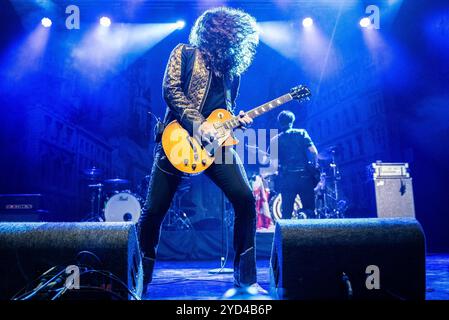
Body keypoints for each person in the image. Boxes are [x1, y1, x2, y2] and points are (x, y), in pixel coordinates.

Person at [138, 7, 265, 295]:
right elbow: (171, 90)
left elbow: (225, 110)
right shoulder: (184, 52)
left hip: (216, 145)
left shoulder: (233, 74)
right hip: (178, 138)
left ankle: (245, 277)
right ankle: (138, 275)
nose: (235, 39)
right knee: (155, 209)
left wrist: (237, 121)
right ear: (216, 32)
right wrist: (197, 124)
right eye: (230, 33)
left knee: (245, 199)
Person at [270, 110, 319, 219]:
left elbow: (273, 164)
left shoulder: (275, 139)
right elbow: (314, 152)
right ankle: (312, 233)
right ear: (292, 121)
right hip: (305, 177)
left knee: (286, 212)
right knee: (309, 210)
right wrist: (315, 167)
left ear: (279, 123)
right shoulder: (301, 133)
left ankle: (287, 235)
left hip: (287, 178)